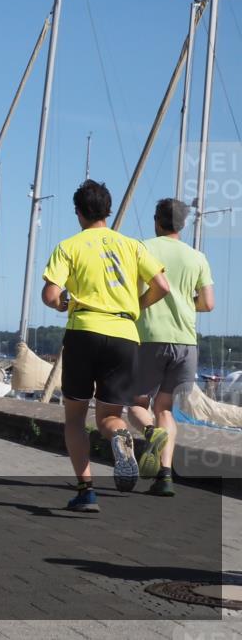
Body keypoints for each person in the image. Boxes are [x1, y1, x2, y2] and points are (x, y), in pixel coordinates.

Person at [41, 180, 169, 512]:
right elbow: (162, 286)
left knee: (75, 417)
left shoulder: (69, 246)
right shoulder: (133, 246)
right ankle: (119, 436)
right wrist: (137, 306)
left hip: (84, 330)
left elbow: (51, 295)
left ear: (78, 212)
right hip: (125, 334)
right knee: (110, 415)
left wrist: (61, 305)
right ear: (108, 211)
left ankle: (86, 491)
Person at [126, 198, 215, 497]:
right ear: (183, 224)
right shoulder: (197, 257)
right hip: (186, 343)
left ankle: (151, 434)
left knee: (138, 405)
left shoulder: (143, 248)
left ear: (157, 220)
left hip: (150, 338)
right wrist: (185, 302)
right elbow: (208, 303)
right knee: (165, 409)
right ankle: (164, 476)